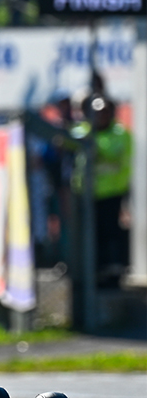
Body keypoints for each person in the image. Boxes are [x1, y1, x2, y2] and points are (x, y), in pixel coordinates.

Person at [71, 95, 132, 286]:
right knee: (89, 236)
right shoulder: (81, 131)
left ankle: (112, 274)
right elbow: (64, 140)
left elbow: (119, 159)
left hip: (111, 194)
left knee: (110, 235)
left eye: (104, 112)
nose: (100, 117)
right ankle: (91, 274)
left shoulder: (120, 134)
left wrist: (97, 149)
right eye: (96, 113)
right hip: (86, 195)